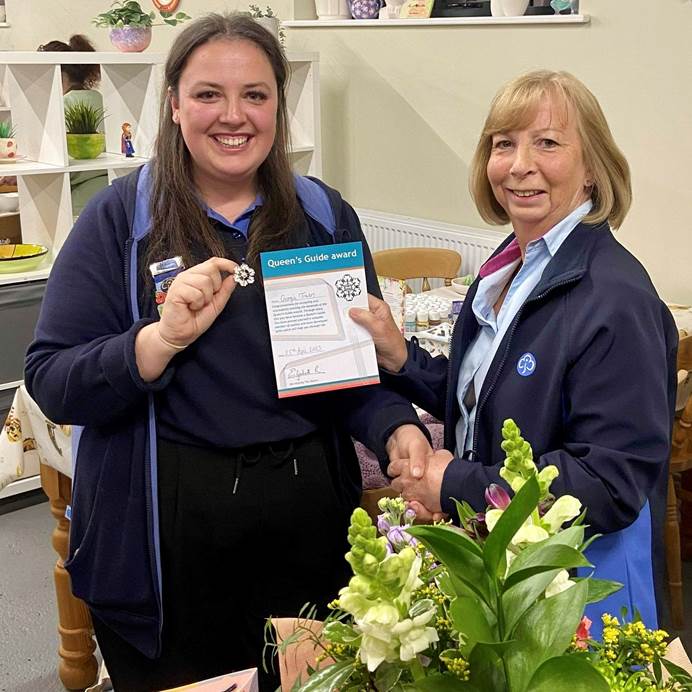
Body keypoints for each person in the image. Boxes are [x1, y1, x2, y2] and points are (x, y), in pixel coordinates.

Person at [25, 14, 431, 692]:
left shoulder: (322, 217)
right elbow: (53, 380)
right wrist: (157, 342)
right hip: (167, 544)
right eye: (209, 94)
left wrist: (396, 424)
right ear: (175, 104)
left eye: (256, 94)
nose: (233, 116)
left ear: (278, 105)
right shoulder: (121, 222)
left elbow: (351, 374)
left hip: (309, 532)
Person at [351, 70, 678, 637]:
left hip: (584, 594)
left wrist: (454, 486)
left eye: (547, 143)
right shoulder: (508, 269)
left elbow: (608, 482)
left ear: (594, 167)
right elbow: (495, 400)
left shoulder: (615, 296)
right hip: (509, 569)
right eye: (504, 143)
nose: (519, 164)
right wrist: (403, 358)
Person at [39, 35, 109, 215]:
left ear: (59, 75)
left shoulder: (60, 106)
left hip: (76, 201)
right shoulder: (101, 99)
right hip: (108, 188)